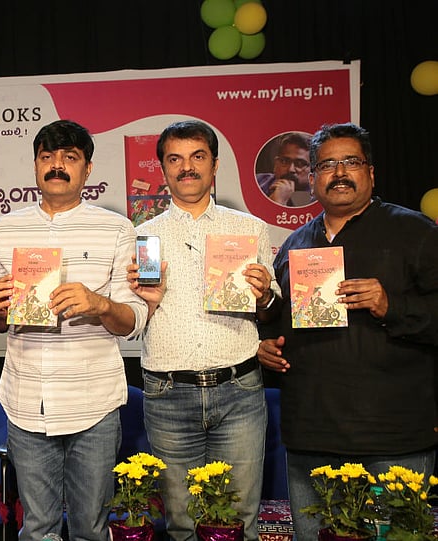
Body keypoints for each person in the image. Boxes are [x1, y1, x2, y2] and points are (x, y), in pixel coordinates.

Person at [257, 123, 438, 541]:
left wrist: (391, 305)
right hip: (313, 436)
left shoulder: (415, 232)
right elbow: (278, 322)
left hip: (393, 439)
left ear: (370, 172)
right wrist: (266, 346)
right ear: (312, 178)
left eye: (350, 162)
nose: (339, 173)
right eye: (327, 165)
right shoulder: (296, 244)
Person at [0, 120, 152, 541]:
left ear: (87, 169)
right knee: (37, 528)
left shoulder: (117, 229)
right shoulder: (4, 229)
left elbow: (134, 319)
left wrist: (100, 304)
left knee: (90, 529)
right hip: (26, 402)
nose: (56, 165)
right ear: (35, 165)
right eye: (47, 157)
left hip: (93, 403)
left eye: (70, 158)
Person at [129, 120, 279, 541]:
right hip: (167, 394)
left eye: (197, 157)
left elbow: (269, 310)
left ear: (215, 164)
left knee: (239, 521)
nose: (187, 168)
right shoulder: (142, 236)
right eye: (175, 159)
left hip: (239, 391)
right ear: (163, 169)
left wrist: (264, 295)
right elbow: (131, 321)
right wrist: (139, 300)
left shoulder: (249, 228)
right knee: (181, 524)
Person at [256, 132, 314, 207]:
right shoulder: (258, 181)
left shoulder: (320, 195)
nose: (291, 169)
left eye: (300, 164)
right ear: (276, 164)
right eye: (284, 161)